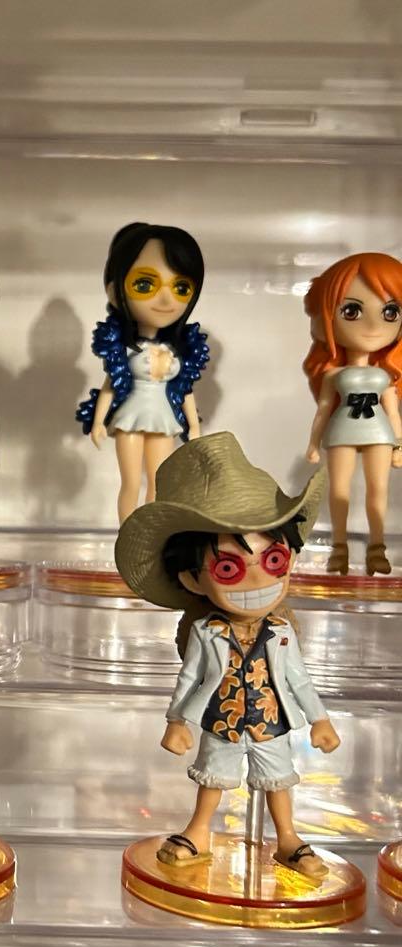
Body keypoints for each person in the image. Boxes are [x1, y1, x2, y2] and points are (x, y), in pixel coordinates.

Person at [115, 432, 341, 880]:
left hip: (272, 722)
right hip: (221, 719)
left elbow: (298, 679)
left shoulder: (281, 633)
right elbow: (190, 679)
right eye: (228, 568)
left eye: (273, 560)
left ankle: (288, 837)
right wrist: (177, 721)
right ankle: (199, 831)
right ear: (192, 579)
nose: (257, 580)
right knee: (212, 778)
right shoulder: (207, 632)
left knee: (278, 780)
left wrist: (320, 720)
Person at [76, 222, 211, 522]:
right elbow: (110, 386)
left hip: (163, 418)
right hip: (131, 419)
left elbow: (185, 390)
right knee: (131, 484)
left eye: (180, 288)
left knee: (159, 485)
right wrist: (98, 422)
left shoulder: (175, 351)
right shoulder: (126, 350)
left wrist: (194, 425)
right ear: (115, 291)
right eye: (145, 285)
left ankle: (151, 539)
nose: (166, 300)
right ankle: (127, 536)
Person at [302, 252, 402, 575]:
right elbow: (323, 410)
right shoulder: (333, 375)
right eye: (352, 310)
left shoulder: (385, 376)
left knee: (378, 491)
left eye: (390, 312)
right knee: (339, 491)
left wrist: (399, 445)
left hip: (378, 433)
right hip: (342, 430)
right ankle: (339, 548)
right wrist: (313, 443)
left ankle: (377, 548)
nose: (373, 325)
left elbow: (394, 413)